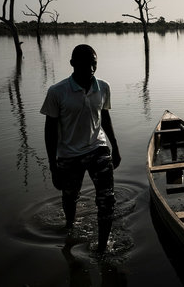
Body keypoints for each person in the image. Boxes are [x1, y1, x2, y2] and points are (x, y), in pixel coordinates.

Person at [41, 44, 121, 253]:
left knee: (107, 200)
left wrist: (115, 147)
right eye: (85, 63)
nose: (91, 67)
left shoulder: (103, 87)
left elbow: (105, 117)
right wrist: (53, 166)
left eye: (94, 62)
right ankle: (70, 226)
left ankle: (102, 249)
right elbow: (50, 131)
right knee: (69, 197)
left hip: (98, 149)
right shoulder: (57, 92)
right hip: (69, 155)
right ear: (72, 64)